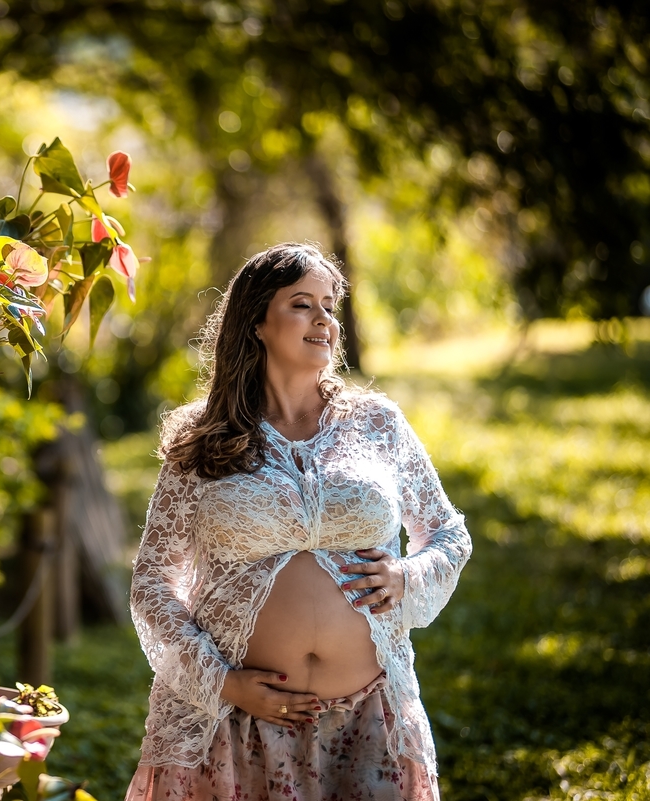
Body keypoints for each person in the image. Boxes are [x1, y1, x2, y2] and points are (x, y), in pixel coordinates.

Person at [124, 243, 471, 801]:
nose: (324, 320)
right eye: (302, 304)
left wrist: (408, 576)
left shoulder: (376, 423)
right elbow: (152, 585)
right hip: (235, 730)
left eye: (329, 306)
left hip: (369, 721)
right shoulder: (200, 438)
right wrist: (224, 685)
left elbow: (449, 534)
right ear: (257, 321)